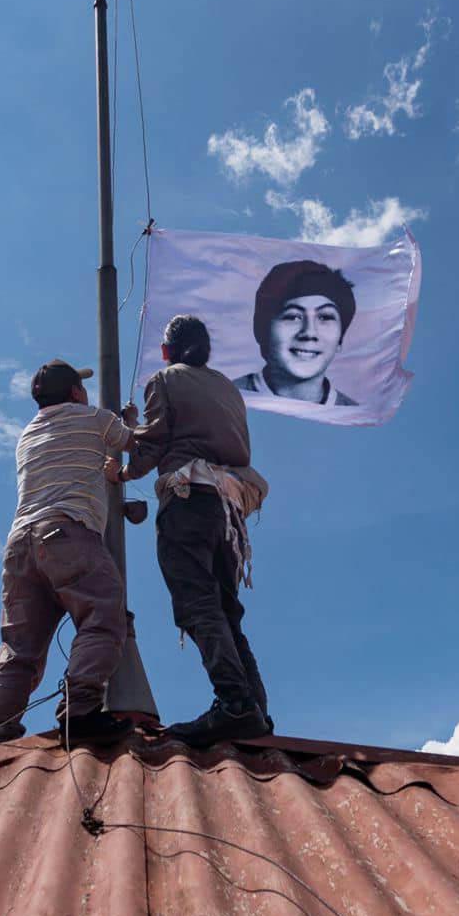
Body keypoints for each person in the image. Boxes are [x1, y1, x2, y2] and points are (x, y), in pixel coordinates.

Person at [110, 316, 273, 747]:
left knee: (197, 603)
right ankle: (254, 709)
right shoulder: (227, 387)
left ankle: (235, 704)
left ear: (166, 351)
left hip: (189, 501)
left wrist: (123, 467)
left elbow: (155, 443)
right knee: (226, 608)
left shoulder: (164, 380)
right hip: (228, 509)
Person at [0, 359, 136, 749]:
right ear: (77, 393)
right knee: (103, 614)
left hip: (20, 547)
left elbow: (77, 447)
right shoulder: (94, 419)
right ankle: (80, 712)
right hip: (67, 533)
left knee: (20, 646)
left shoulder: (27, 434)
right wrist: (127, 421)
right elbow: (132, 441)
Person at [234, 260, 359, 406]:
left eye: (325, 317)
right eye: (293, 316)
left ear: (340, 340)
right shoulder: (222, 397)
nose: (309, 332)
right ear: (262, 329)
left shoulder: (354, 416)